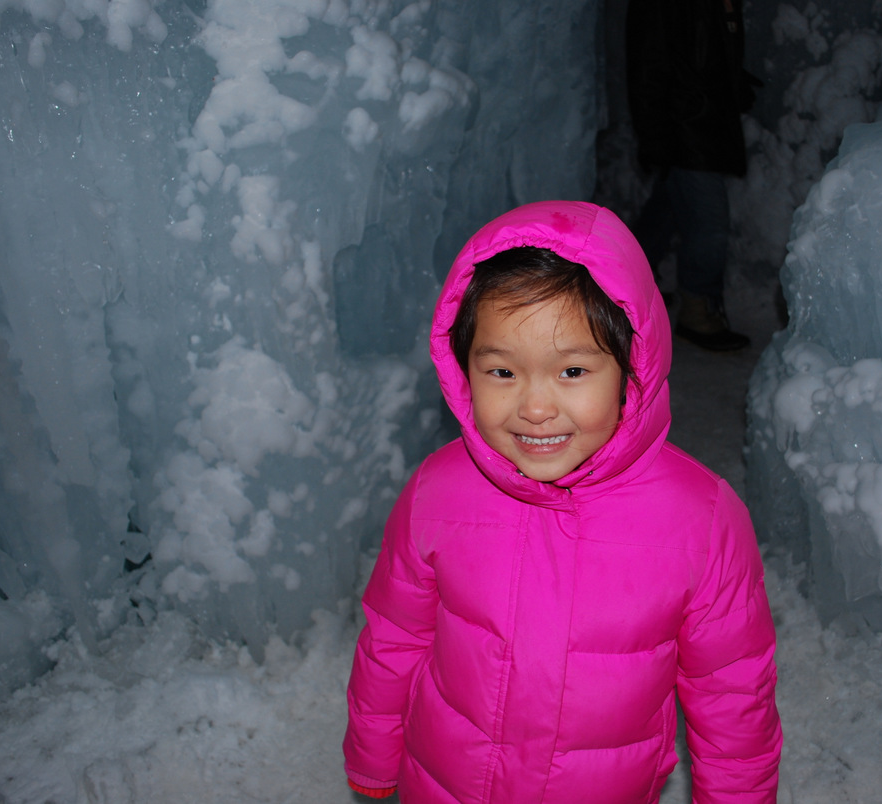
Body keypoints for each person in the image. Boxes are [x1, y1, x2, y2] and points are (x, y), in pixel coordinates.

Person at [343, 200, 781, 802]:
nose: (535, 407)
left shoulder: (701, 520)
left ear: (633, 368)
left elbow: (732, 692)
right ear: (461, 368)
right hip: (447, 784)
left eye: (572, 371)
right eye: (502, 372)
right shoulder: (436, 491)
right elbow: (394, 639)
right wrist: (373, 756)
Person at [626, 0, 757, 352]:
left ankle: (620, 285)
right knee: (709, 221)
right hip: (686, 129)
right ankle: (697, 312)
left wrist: (734, 85)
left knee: (669, 207)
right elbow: (648, 63)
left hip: (700, 123)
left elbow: (705, 56)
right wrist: (655, 133)